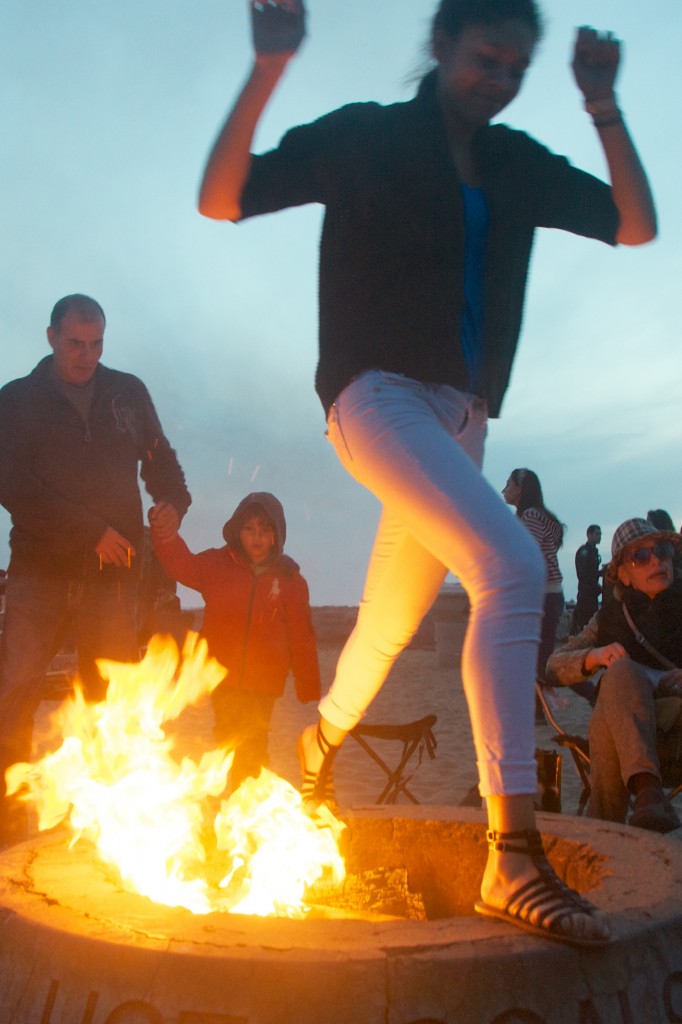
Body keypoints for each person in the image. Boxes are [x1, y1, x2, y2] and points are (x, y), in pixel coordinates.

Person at [197, 0, 657, 946]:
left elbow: (635, 224)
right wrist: (269, 67)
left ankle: (319, 744)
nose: (499, 78)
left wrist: (603, 106)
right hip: (374, 396)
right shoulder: (367, 137)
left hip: (462, 415)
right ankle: (512, 857)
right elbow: (222, 194)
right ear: (442, 45)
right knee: (513, 569)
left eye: (516, 68)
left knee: (393, 619)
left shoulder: (517, 162)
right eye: (485, 57)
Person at [0, 294, 191, 841]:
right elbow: (13, 487)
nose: (86, 355)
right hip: (40, 574)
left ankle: (104, 832)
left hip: (115, 580)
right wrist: (89, 532)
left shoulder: (126, 393)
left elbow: (162, 464)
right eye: (75, 343)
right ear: (51, 337)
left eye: (97, 343)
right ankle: (8, 827)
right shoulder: (16, 400)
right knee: (15, 694)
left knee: (110, 699)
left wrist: (173, 505)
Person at [150, 491, 321, 792]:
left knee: (253, 742)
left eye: (264, 530)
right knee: (228, 737)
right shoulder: (217, 564)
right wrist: (166, 536)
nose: (256, 538)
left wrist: (308, 685)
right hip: (222, 676)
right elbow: (182, 565)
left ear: (276, 535)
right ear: (237, 531)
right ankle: (236, 797)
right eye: (249, 529)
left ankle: (246, 799)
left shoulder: (290, 580)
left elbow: (301, 635)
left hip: (263, 683)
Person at [547, 518, 682, 833]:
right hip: (636, 731)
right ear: (624, 574)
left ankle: (607, 827)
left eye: (661, 551)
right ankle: (646, 791)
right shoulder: (607, 619)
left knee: (608, 709)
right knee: (620, 673)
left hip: (673, 734)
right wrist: (595, 656)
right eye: (641, 557)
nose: (657, 561)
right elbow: (553, 666)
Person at [502, 469, 565, 682]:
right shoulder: (536, 515)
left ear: (520, 489)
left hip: (542, 597)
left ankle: (591, 692)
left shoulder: (530, 516)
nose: (504, 490)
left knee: (537, 660)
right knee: (540, 657)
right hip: (549, 594)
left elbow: (528, 556)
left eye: (508, 484)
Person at [571, 524, 603, 634]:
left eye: (600, 534)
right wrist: (599, 574)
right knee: (583, 623)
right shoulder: (584, 552)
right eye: (597, 534)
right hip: (586, 594)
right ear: (589, 535)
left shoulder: (594, 552)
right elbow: (584, 574)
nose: (599, 537)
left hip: (592, 594)